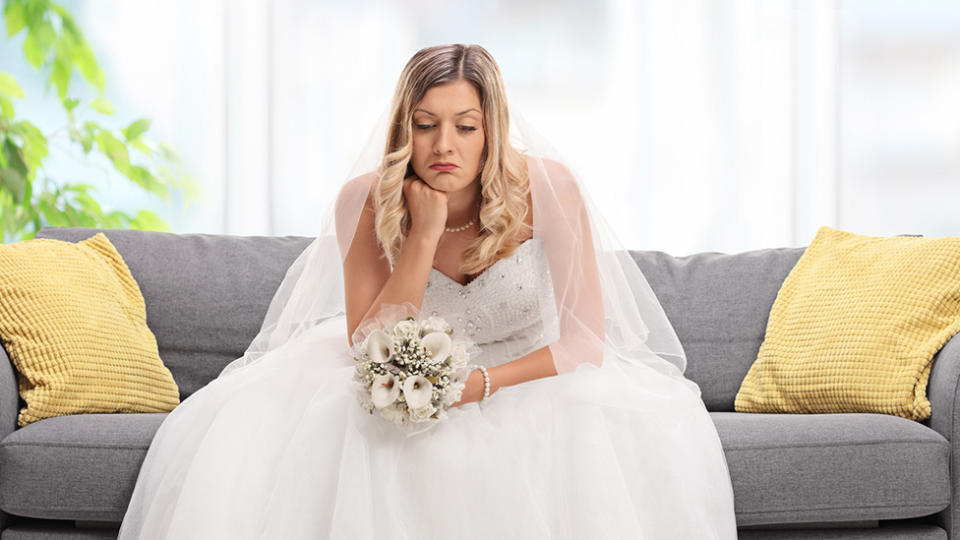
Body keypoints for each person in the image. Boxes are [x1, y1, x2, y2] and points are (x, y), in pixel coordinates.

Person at [117, 43, 738, 539]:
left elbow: (584, 344)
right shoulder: (363, 200)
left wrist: (480, 386)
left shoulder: (548, 189)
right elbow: (369, 343)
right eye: (426, 125)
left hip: (531, 377)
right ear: (403, 129)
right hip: (398, 372)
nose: (445, 146)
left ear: (491, 129)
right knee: (348, 441)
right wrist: (422, 236)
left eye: (466, 126)